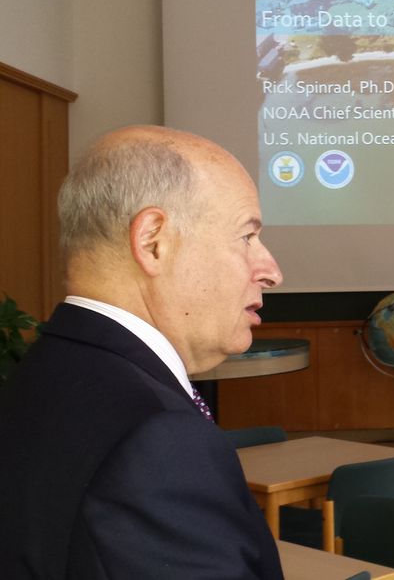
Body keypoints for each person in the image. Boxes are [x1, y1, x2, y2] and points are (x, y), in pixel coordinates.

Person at [0, 126, 286, 578]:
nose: (272, 271)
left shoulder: (45, 370)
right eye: (247, 237)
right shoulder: (157, 438)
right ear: (153, 241)